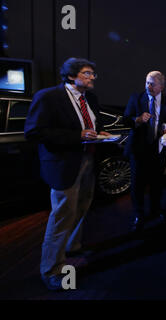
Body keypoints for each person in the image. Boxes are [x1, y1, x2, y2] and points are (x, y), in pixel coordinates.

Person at [24, 57, 111, 290]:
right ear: (71, 76)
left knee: (82, 206)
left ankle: (73, 247)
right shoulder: (48, 97)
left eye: (93, 74)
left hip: (88, 160)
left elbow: (93, 124)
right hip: (64, 164)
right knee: (62, 215)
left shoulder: (90, 98)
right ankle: (51, 270)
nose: (92, 77)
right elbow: (34, 132)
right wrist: (78, 136)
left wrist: (99, 131)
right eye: (86, 73)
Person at [123, 71, 166, 232]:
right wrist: (137, 120)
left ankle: (155, 212)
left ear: (161, 86)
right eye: (147, 82)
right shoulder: (136, 98)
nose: (149, 86)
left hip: (158, 151)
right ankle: (139, 215)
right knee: (137, 186)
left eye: (152, 84)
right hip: (138, 151)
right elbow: (126, 120)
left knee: (157, 185)